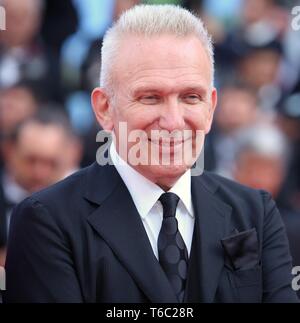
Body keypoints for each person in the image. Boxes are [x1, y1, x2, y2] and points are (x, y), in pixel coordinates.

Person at [4, 5, 299, 303]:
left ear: (210, 108)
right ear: (105, 108)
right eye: (150, 98)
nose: (172, 121)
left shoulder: (254, 213)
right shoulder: (48, 221)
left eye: (190, 97)